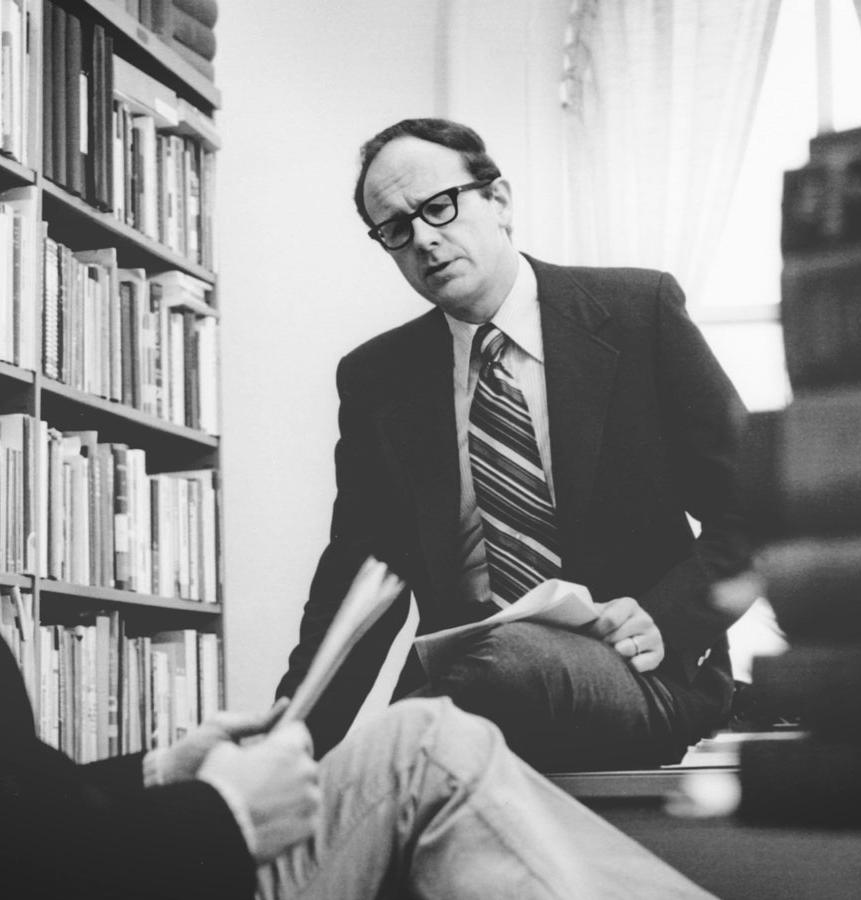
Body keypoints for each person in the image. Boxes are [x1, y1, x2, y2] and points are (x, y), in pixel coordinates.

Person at [277, 118, 753, 771]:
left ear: (498, 201)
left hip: (637, 667)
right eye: (396, 229)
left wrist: (667, 620)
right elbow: (358, 581)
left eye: (439, 207)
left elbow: (754, 506)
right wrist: (293, 737)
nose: (423, 240)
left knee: (485, 677)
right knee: (449, 702)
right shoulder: (379, 379)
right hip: (466, 687)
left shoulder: (639, 312)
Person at [0, 634, 715, 900]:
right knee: (427, 747)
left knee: (422, 737)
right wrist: (221, 815)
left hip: (132, 846)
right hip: (157, 862)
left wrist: (156, 774)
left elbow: (25, 805)